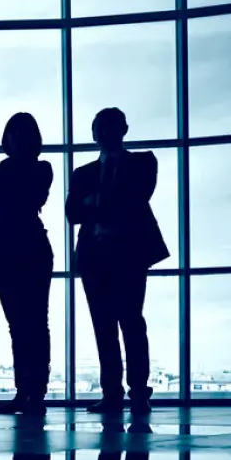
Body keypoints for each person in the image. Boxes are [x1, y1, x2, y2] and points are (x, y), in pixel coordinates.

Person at [65, 107, 169, 416]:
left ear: (123, 130)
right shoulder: (84, 173)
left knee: (130, 324)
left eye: (111, 127)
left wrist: (93, 202)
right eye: (101, 128)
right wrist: (103, 201)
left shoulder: (143, 162)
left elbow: (134, 197)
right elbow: (73, 214)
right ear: (96, 134)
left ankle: (135, 392)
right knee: (106, 327)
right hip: (99, 257)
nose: (105, 133)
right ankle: (116, 392)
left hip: (124, 256)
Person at [0, 113, 55, 417]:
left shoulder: (16, 172)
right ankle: (30, 393)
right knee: (25, 323)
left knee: (27, 323)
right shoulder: (31, 170)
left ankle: (32, 392)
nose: (17, 140)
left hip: (14, 246)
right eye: (13, 134)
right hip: (20, 245)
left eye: (21, 134)